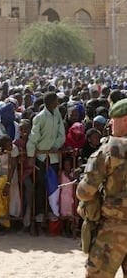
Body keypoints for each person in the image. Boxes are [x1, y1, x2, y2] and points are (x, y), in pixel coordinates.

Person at [77, 97, 127, 277]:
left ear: (125, 120)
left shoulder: (111, 148)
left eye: (114, 119)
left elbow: (84, 192)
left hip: (113, 231)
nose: (111, 123)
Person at [26, 92, 65, 235]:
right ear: (50, 102)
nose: (58, 103)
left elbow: (62, 134)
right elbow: (33, 138)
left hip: (53, 157)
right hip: (41, 158)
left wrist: (56, 145)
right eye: (56, 101)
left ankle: (51, 222)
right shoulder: (40, 118)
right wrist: (31, 156)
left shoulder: (57, 114)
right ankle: (37, 221)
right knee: (40, 188)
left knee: (53, 188)